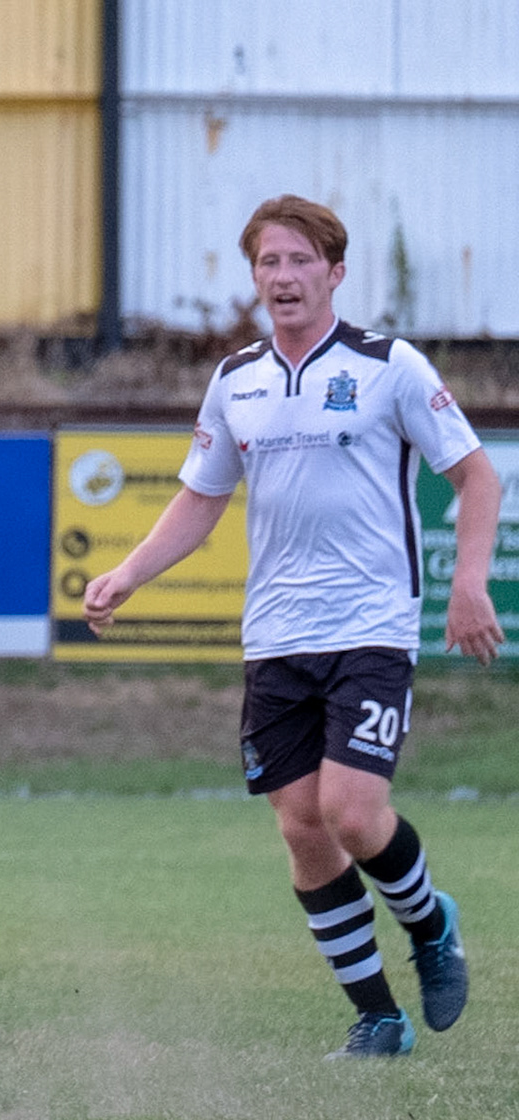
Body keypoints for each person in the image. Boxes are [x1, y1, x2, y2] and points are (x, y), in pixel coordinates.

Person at [82, 194, 503, 1059]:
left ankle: (430, 923)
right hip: (276, 635)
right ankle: (378, 1017)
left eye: (300, 260)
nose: (283, 276)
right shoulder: (236, 379)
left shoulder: (389, 366)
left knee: (351, 809)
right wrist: (128, 572)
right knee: (302, 826)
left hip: (371, 624)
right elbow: (202, 498)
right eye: (268, 262)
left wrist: (468, 582)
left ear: (335, 273)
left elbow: (477, 476)